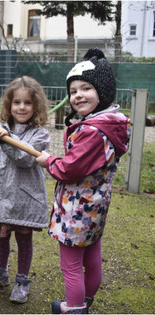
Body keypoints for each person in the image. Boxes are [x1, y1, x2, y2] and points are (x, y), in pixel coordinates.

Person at [36, 48, 131, 314]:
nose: (78, 95)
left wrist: (48, 161)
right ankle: (85, 301)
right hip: (96, 207)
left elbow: (70, 169)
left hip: (76, 210)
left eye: (86, 88)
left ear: (103, 91)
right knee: (92, 258)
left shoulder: (92, 131)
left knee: (71, 266)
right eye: (73, 90)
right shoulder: (112, 123)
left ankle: (74, 308)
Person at [0, 76, 50, 304]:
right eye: (17, 102)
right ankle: (0, 273)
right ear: (9, 104)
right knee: (0, 235)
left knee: (24, 240)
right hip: (0, 197)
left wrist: (6, 139)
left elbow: (24, 158)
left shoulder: (40, 134)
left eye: (27, 103)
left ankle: (22, 280)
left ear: (36, 106)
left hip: (25, 199)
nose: (22, 107)